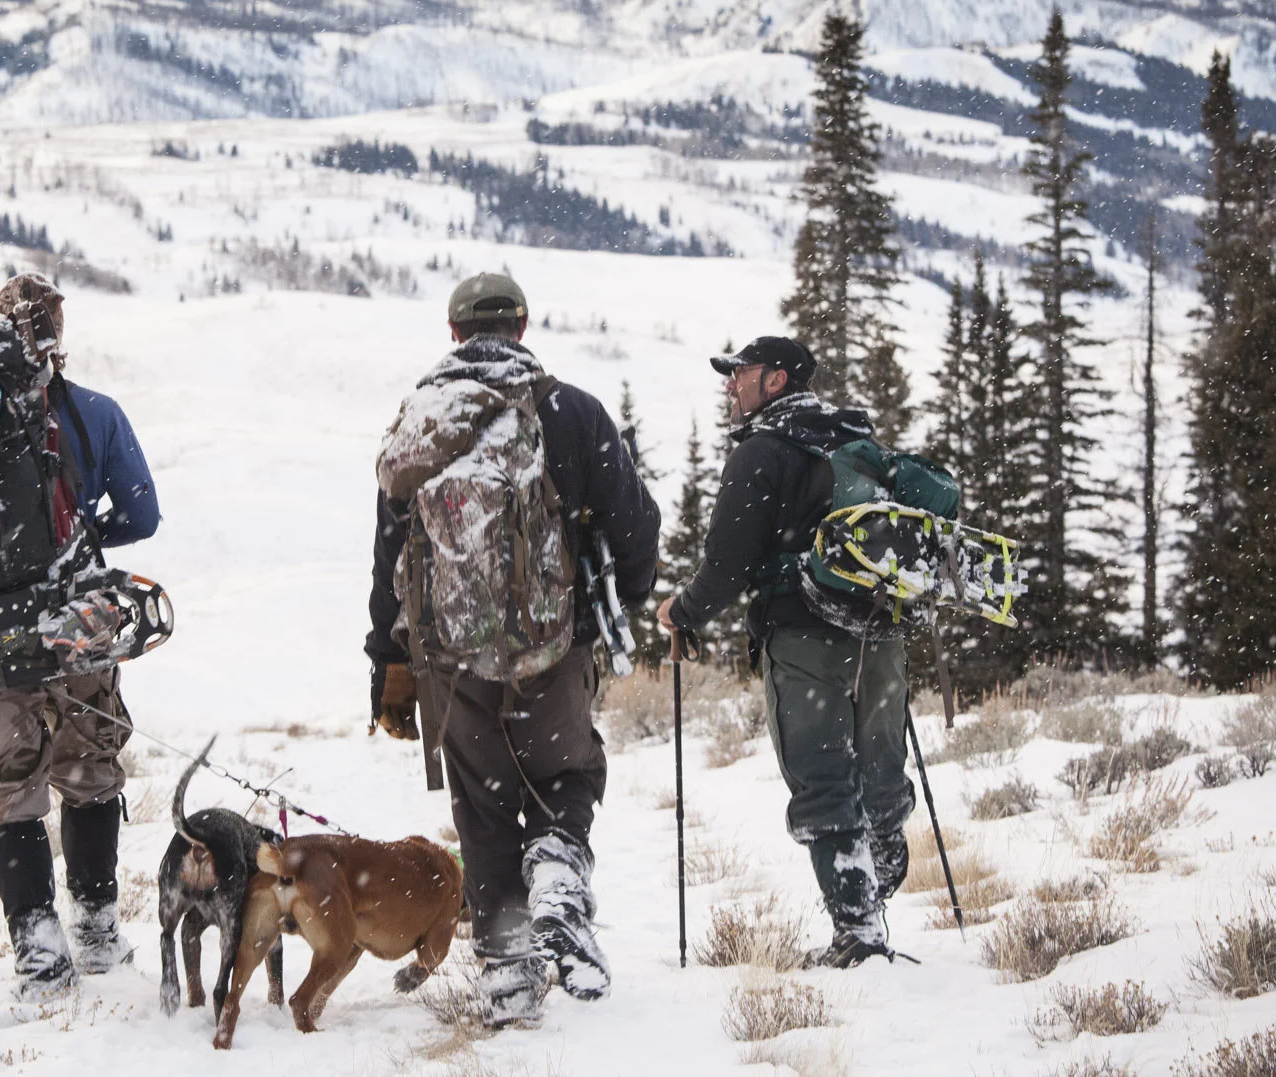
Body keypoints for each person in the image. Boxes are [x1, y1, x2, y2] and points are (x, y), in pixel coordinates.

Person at [367, 274, 660, 1026]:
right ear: (522, 327)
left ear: (454, 332)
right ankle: (558, 870)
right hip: (553, 645)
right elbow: (636, 528)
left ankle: (507, 976)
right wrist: (618, 603)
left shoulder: (420, 422)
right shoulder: (571, 412)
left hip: (449, 658)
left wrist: (386, 663)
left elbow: (390, 555)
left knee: (483, 807)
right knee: (565, 774)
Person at [0, 273, 161, 1000]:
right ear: (56, 333)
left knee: (13, 788)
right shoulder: (93, 413)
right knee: (90, 769)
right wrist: (81, 540)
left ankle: (39, 956)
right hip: (78, 621)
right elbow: (143, 514)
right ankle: (98, 932)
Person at [657, 335, 917, 969]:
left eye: (740, 373)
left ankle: (859, 931)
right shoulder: (856, 442)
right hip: (881, 632)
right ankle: (878, 878)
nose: (730, 384)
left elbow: (727, 566)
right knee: (879, 766)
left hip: (804, 636)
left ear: (775, 380)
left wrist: (681, 612)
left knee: (822, 778)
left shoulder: (762, 451)